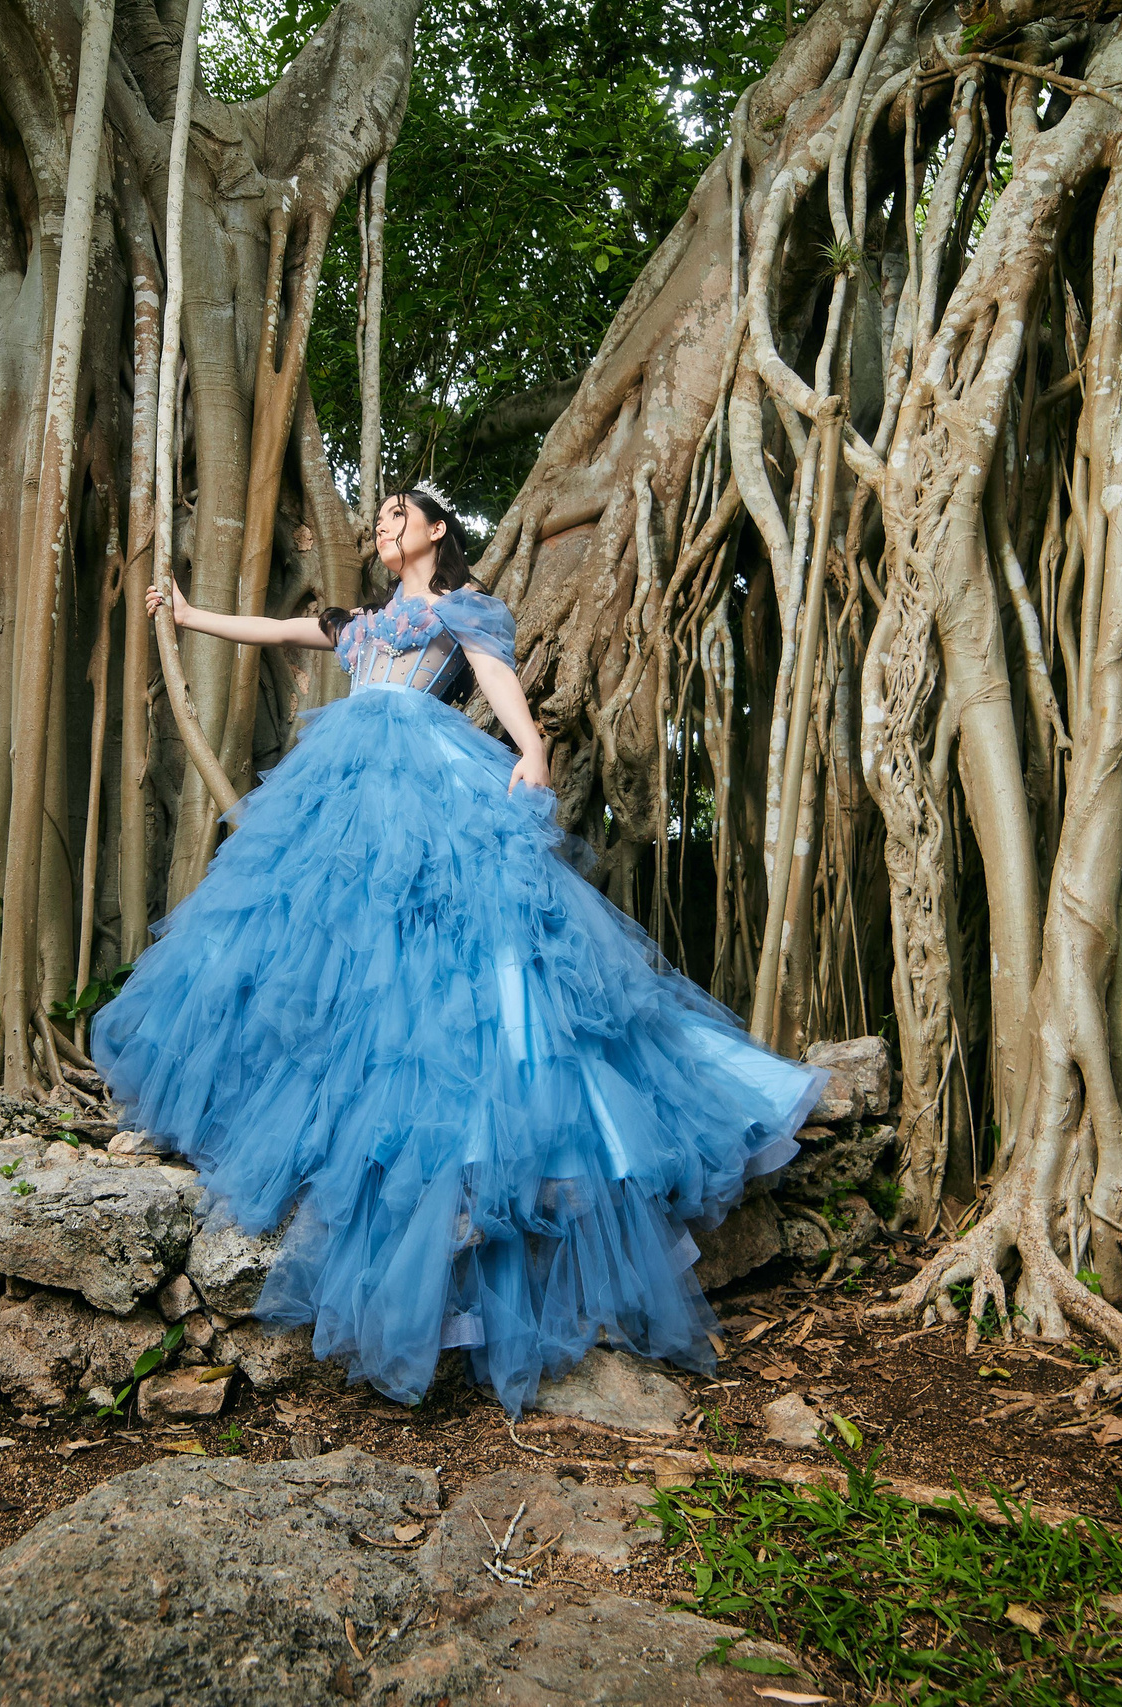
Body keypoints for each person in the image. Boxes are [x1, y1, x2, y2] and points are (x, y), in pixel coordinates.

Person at [91, 486, 826, 1416]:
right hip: (344, 795)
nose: (383, 524)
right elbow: (274, 631)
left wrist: (532, 748)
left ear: (438, 529)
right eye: (379, 517)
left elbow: (493, 671)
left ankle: (495, 1156)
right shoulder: (359, 624)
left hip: (427, 783)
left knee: (458, 944)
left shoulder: (458, 608)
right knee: (321, 942)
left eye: (399, 513)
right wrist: (189, 613)